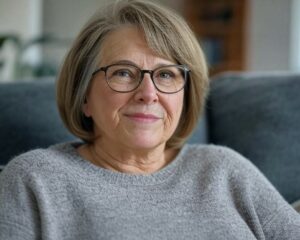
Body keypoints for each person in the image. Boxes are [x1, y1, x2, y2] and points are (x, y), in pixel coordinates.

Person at [0, 0, 299, 239]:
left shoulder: (225, 169)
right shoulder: (34, 180)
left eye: (166, 75)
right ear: (84, 95)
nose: (148, 93)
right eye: (123, 73)